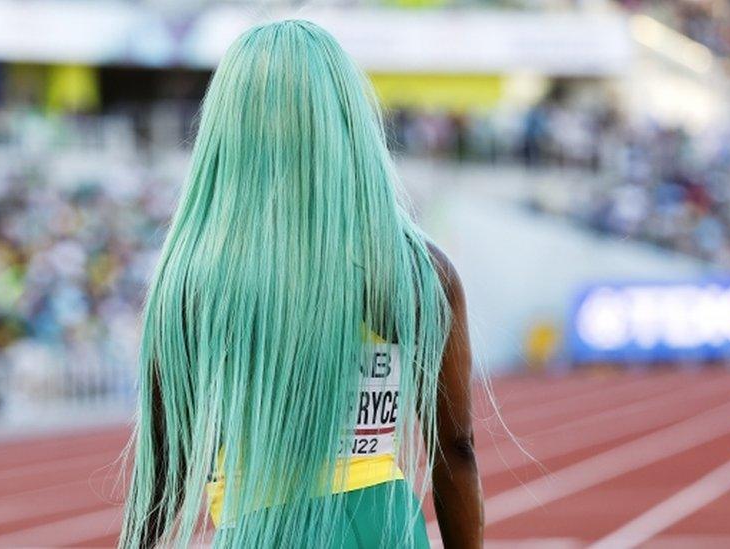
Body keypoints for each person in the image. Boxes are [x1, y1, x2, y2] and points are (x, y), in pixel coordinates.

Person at [120, 20, 483, 548]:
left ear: (227, 129)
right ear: (347, 120)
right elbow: (456, 448)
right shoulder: (413, 270)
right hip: (382, 530)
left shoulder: (192, 280)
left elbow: (165, 471)